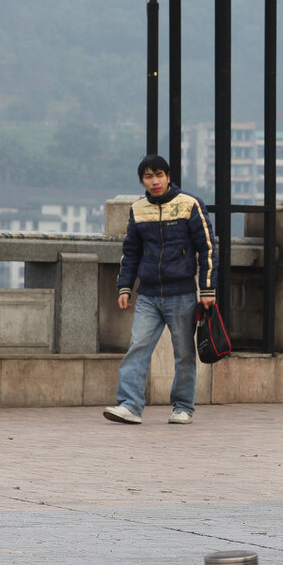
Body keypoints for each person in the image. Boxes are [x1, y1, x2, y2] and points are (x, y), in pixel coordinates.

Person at [103, 154, 217, 425]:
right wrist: (124, 288)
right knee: (137, 347)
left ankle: (183, 407)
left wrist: (208, 289)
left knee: (184, 353)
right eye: (148, 177)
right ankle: (129, 405)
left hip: (182, 293)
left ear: (168, 176)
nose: (154, 182)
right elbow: (131, 252)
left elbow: (208, 249)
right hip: (148, 295)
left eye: (159, 175)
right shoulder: (138, 209)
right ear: (142, 181)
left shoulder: (190, 205)